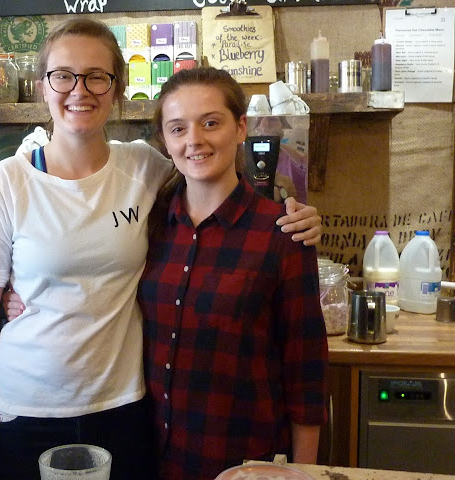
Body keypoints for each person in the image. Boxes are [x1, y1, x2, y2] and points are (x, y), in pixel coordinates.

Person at [0, 18, 321, 480]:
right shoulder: (7, 183)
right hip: (26, 407)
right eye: (63, 75)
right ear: (43, 86)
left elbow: (211, 181)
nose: (79, 90)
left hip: (125, 408)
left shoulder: (145, 168)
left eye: (96, 76)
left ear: (117, 88)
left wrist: (295, 212)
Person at [138, 67, 328, 480]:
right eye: (178, 128)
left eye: (211, 123)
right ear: (165, 140)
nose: (194, 140)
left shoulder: (282, 232)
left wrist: (304, 471)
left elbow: (306, 370)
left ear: (241, 128)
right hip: (150, 457)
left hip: (245, 462)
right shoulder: (149, 226)